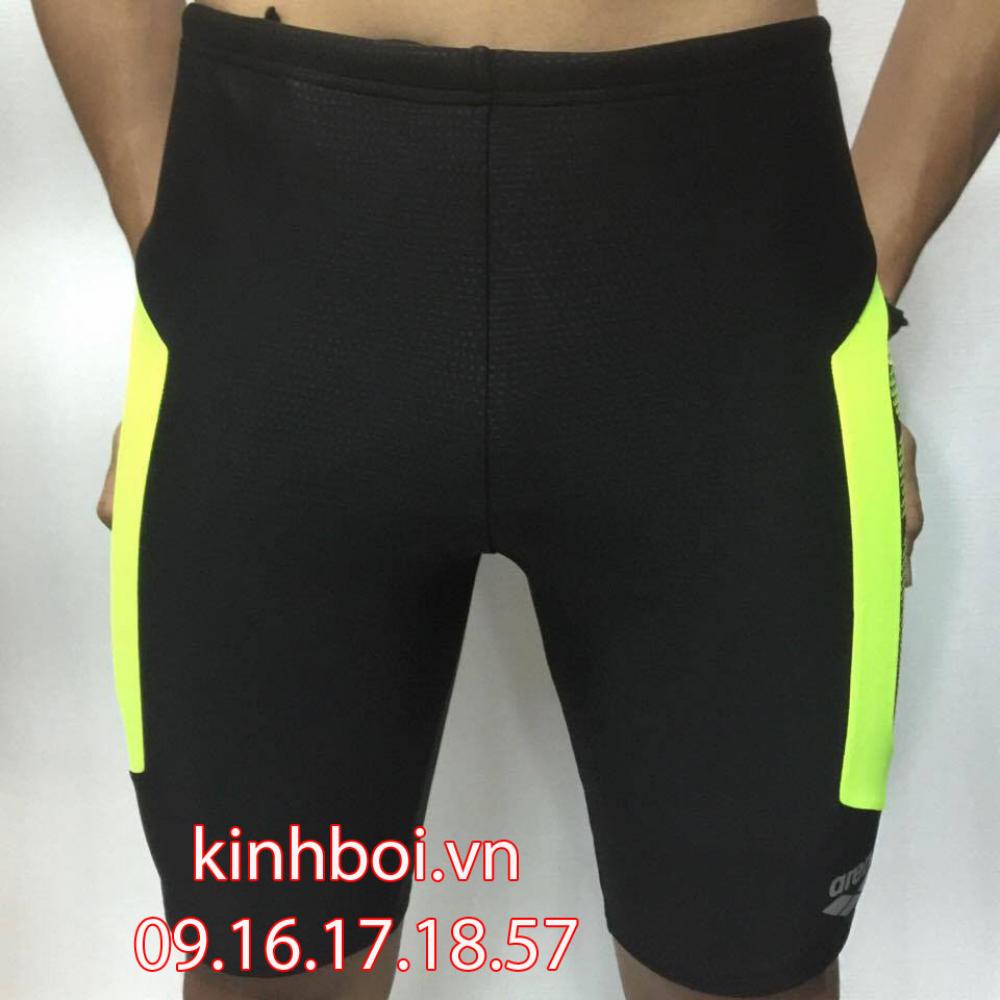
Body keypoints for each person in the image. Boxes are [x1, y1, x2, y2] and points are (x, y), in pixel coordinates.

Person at [30, 0, 997, 997]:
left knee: (748, 969)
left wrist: (856, 282)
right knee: (266, 964)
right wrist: (184, 268)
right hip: (276, 261)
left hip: (728, 289)